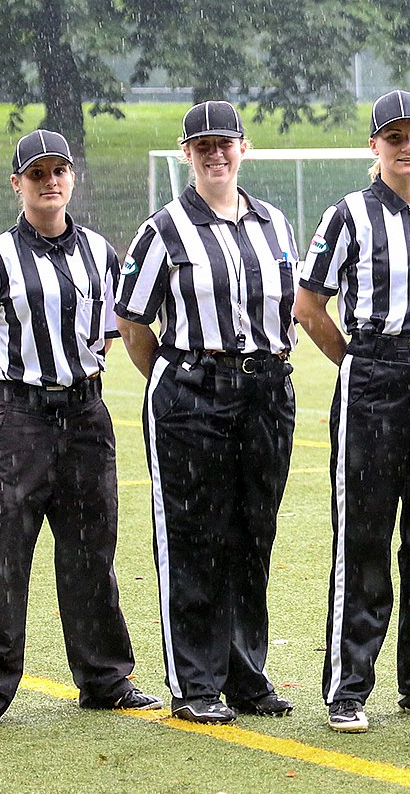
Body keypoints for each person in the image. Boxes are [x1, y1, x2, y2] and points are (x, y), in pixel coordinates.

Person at [0, 131, 162, 730]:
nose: (49, 182)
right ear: (17, 183)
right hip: (19, 419)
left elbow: (111, 333)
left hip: (86, 419)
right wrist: (14, 401)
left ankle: (105, 678)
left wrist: (71, 392)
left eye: (58, 171)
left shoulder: (100, 252)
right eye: (36, 173)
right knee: (2, 555)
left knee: (92, 552)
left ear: (72, 179)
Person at [294, 90, 410, 734]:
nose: (407, 146)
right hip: (373, 373)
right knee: (365, 532)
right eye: (394, 137)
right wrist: (360, 360)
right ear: (374, 146)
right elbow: (309, 306)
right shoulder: (348, 214)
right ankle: (348, 688)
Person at [115, 101, 301, 724]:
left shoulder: (274, 223)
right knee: (193, 535)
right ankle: (194, 681)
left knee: (253, 532)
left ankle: (245, 674)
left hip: (266, 389)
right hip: (193, 389)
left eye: (225, 143)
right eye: (203, 146)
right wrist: (183, 379)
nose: (215, 154)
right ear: (186, 154)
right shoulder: (163, 228)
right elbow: (134, 323)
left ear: (244, 148)